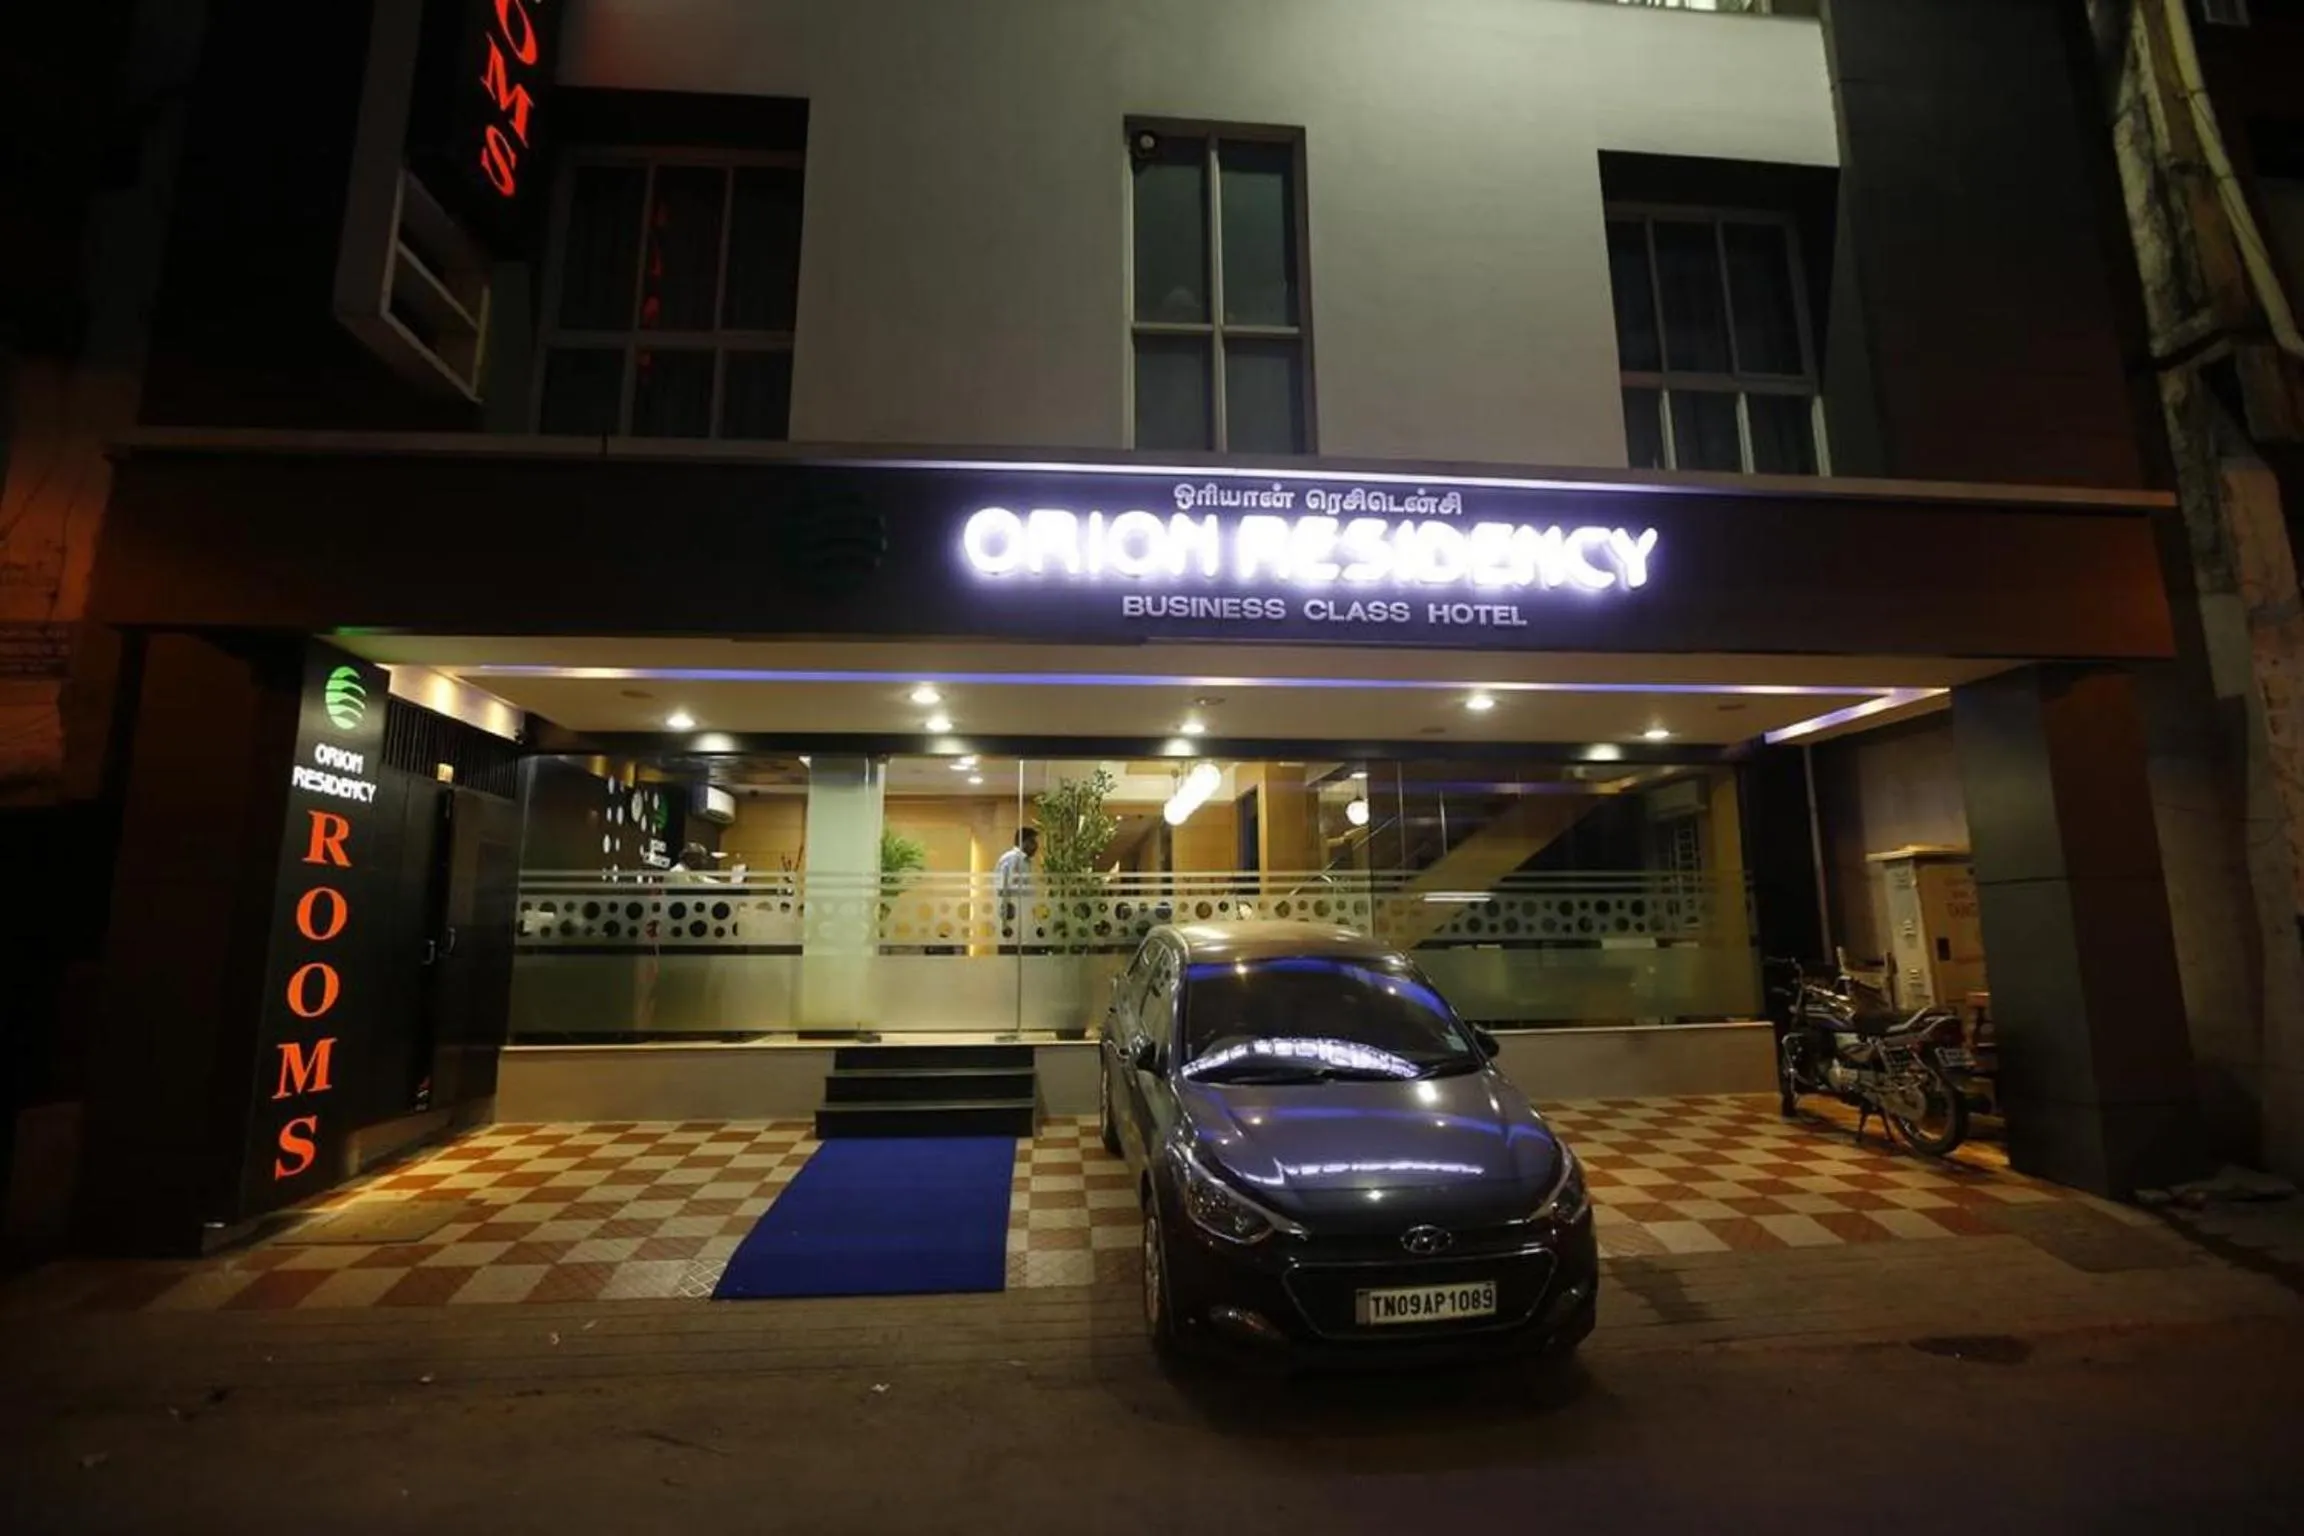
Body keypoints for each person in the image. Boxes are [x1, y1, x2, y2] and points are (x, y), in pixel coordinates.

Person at [993, 826, 1038, 952]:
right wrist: (1007, 916)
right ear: (1023, 842)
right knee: (1010, 955)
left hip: (1022, 917)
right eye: (1032, 842)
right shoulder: (1011, 858)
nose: (1036, 846)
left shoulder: (1025, 861)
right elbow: (1003, 887)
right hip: (1012, 917)